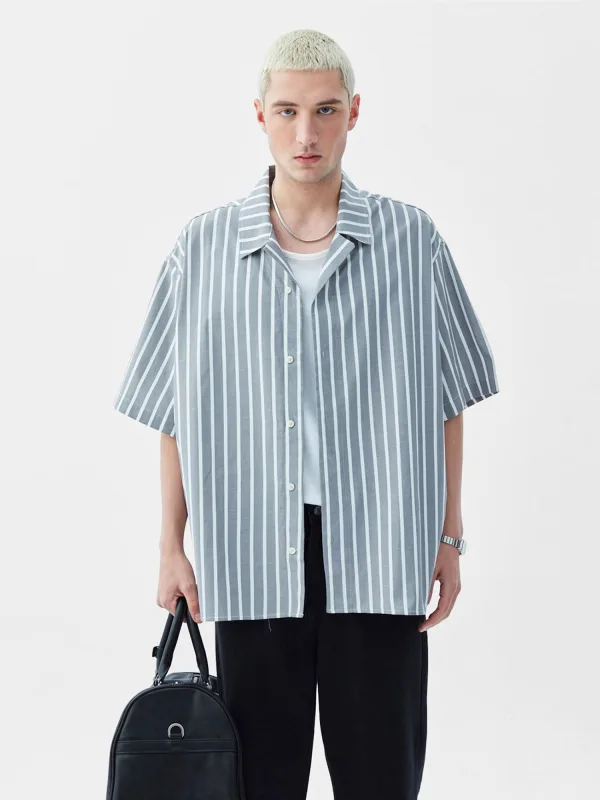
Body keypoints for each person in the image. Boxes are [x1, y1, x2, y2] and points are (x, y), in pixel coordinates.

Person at [113, 28, 499, 800]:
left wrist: (449, 535)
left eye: (325, 110)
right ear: (259, 115)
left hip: (381, 550)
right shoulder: (204, 249)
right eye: (287, 111)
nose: (306, 134)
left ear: (353, 112)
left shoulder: (411, 241)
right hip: (251, 554)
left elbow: (449, 398)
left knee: (382, 779)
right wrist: (170, 545)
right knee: (258, 782)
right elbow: (174, 411)